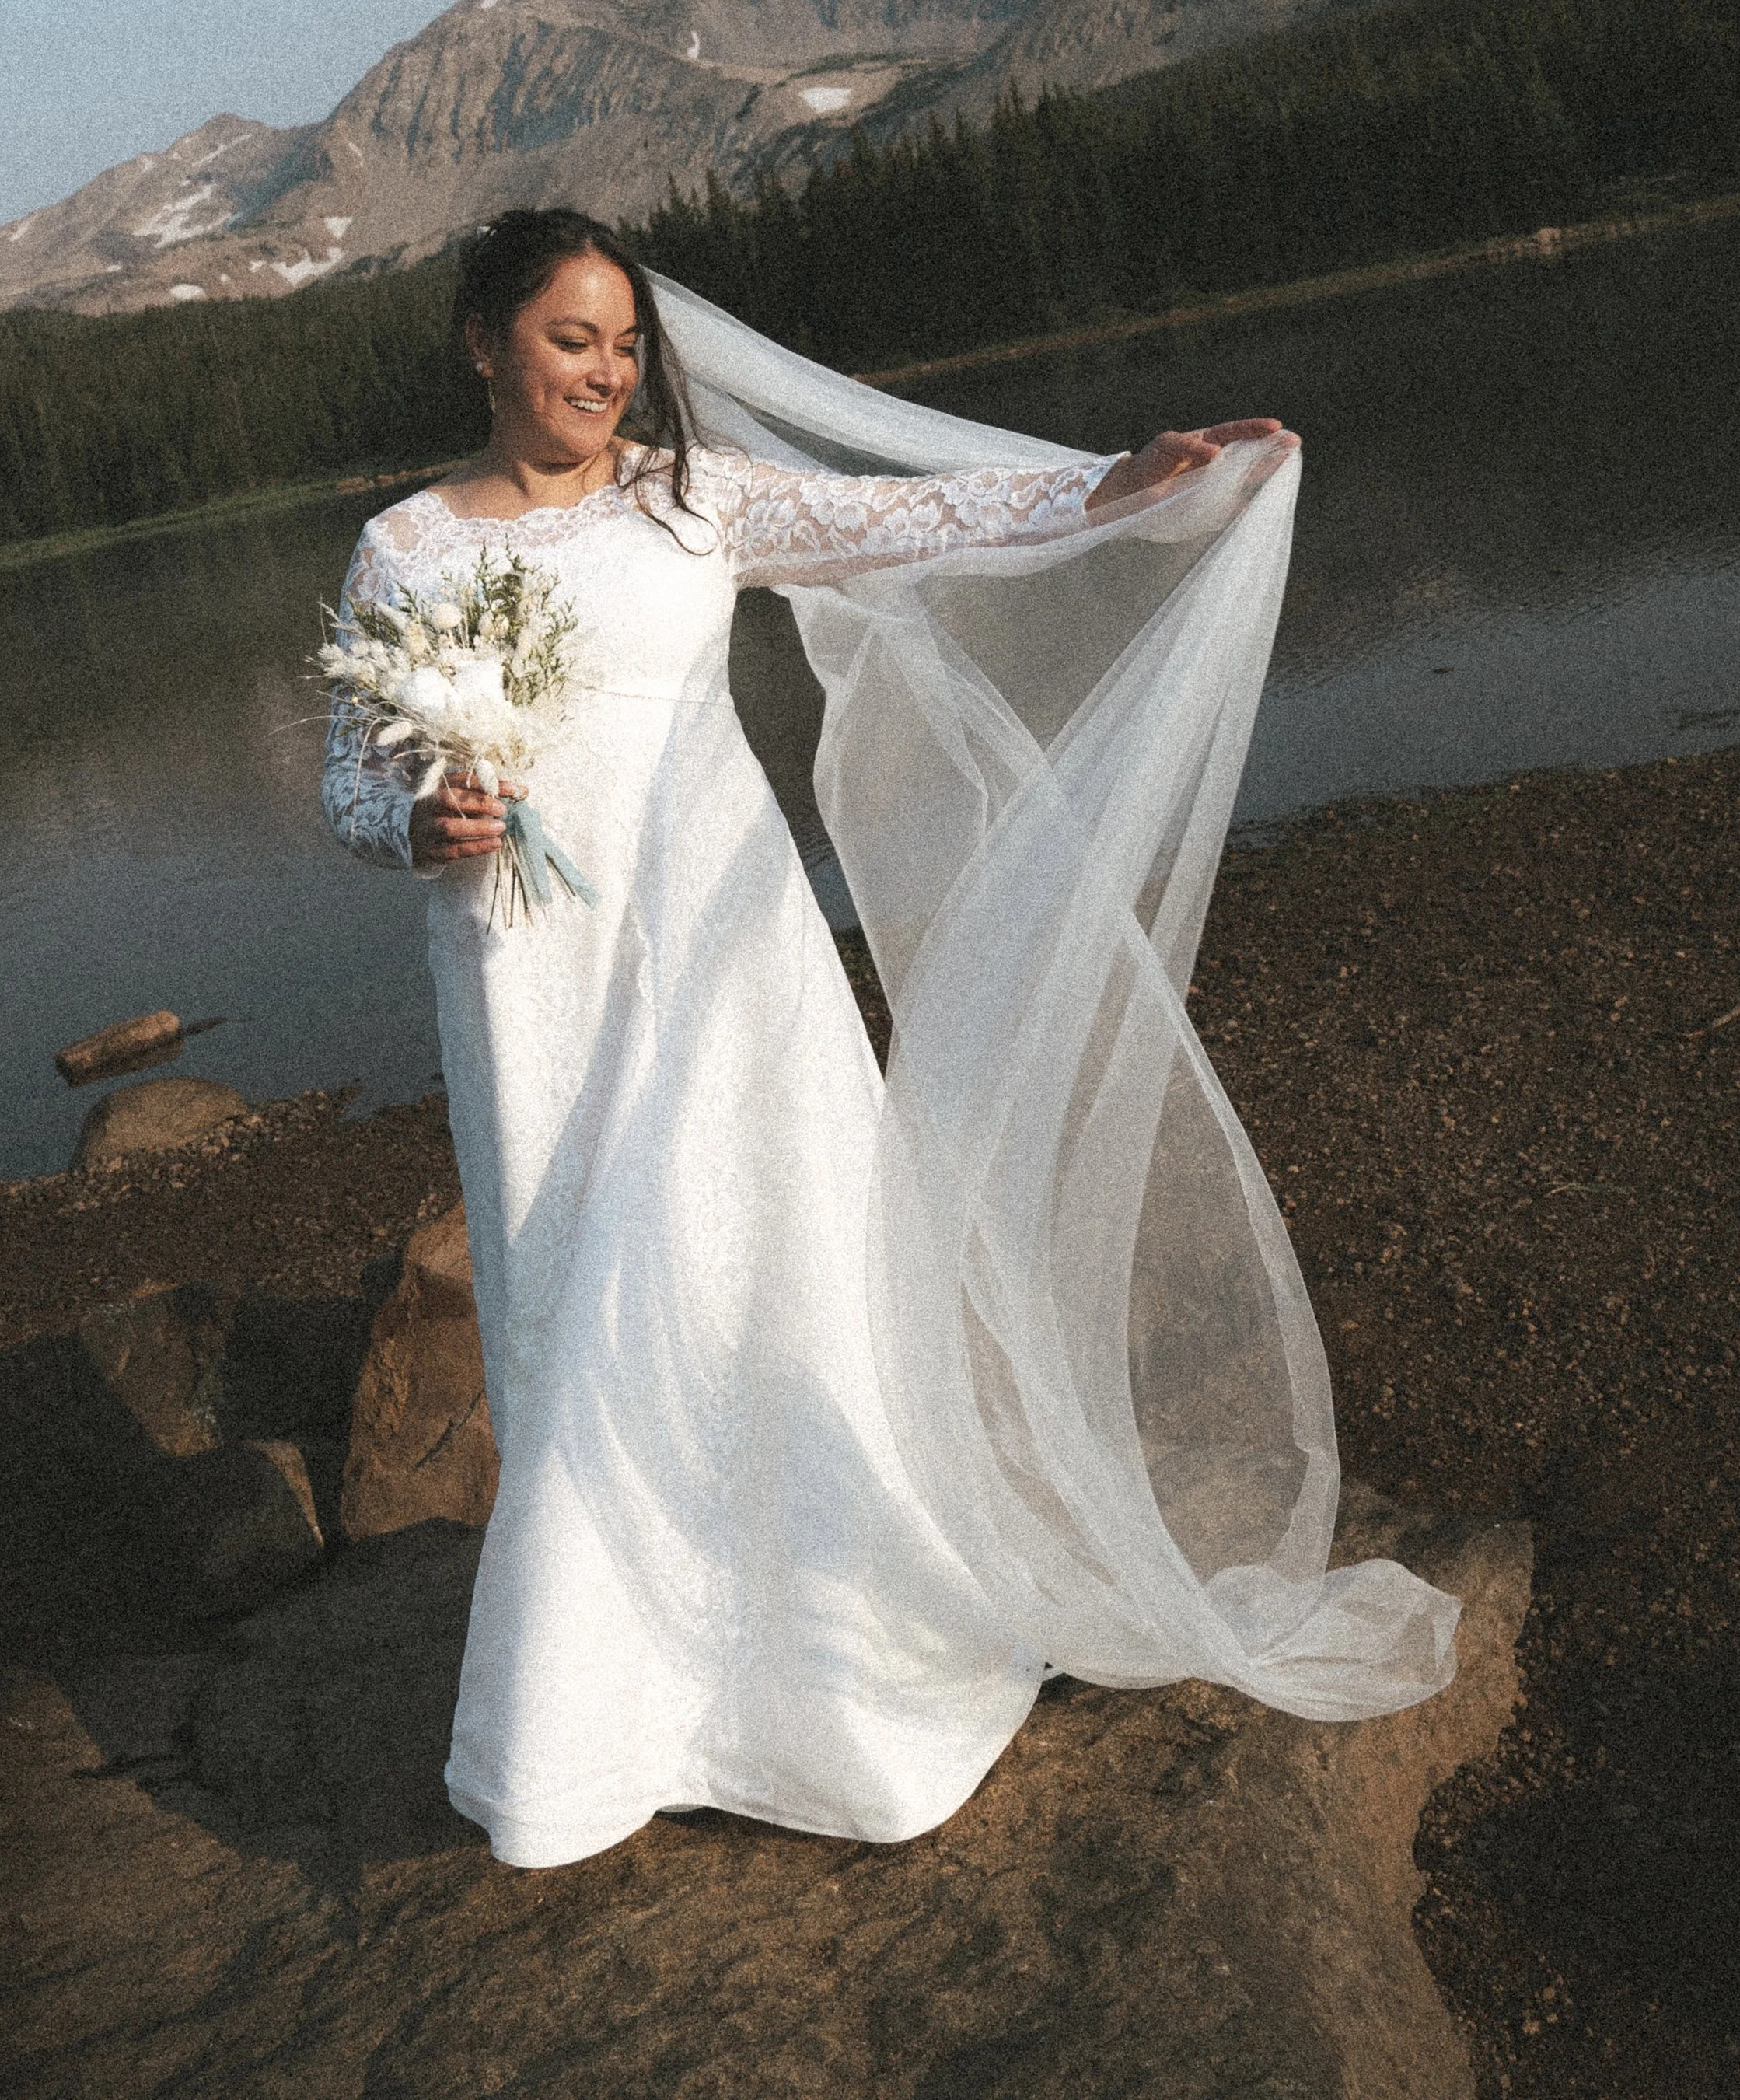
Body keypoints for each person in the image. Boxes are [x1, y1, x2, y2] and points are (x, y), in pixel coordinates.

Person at [323, 206, 1459, 1871]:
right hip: (525, 974)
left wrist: (1110, 483)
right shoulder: (404, 549)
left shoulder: (688, 501)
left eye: (625, 345)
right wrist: (416, 822)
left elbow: (903, 515)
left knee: (757, 1256)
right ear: (484, 344)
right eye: (574, 342)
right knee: (571, 1287)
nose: (607, 373)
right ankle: (613, 1714)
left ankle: (831, 1683)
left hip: (720, 946)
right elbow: (352, 780)